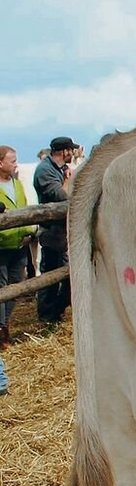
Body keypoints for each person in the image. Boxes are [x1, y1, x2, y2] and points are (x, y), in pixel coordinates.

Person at [34, 136, 77, 325]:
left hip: (61, 231)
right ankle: (46, 316)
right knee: (50, 276)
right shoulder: (44, 170)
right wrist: (68, 179)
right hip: (51, 232)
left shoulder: (59, 169)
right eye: (71, 150)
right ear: (64, 151)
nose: (73, 153)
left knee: (67, 276)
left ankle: (56, 312)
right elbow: (62, 196)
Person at [0, 144, 37, 348]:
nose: (16, 164)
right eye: (12, 160)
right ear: (0, 163)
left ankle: (5, 324)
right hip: (2, 245)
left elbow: (24, 209)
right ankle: (1, 331)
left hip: (19, 244)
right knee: (2, 288)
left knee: (16, 285)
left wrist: (28, 231)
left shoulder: (17, 184)